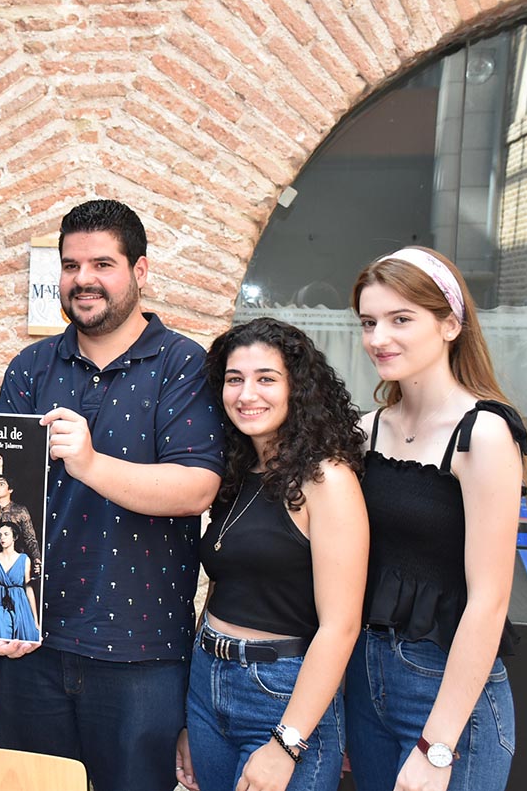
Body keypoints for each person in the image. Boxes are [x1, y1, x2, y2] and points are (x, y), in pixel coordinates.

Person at [0, 199, 224, 791]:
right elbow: (1, 505)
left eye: (102, 264)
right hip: (31, 644)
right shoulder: (31, 367)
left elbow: (196, 487)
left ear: (139, 273)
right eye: (70, 266)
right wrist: (1, 612)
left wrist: (90, 462)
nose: (83, 280)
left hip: (140, 653)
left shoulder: (183, 366)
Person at [345, 247, 527, 791]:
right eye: (369, 322)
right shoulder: (366, 430)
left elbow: (491, 599)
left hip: (447, 695)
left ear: (450, 323)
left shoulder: (485, 433)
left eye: (401, 319)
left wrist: (438, 744)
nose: (379, 338)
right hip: (365, 679)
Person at [176, 317, 368, 791]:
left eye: (266, 379)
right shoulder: (238, 469)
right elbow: (221, 588)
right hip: (207, 681)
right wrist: (189, 713)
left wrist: (287, 743)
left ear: (297, 389)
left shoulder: (328, 481)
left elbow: (341, 626)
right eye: (235, 379)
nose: (247, 394)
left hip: (281, 694)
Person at [0, 473, 40, 575]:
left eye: (1, 484)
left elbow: (30, 538)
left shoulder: (21, 511)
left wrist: (37, 558)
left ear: (10, 490)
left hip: (17, 562)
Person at [0, 523, 41, 641]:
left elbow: (29, 588)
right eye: (0, 535)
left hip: (20, 602)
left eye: (6, 534)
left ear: (14, 537)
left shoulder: (24, 559)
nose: (2, 538)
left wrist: (35, 620)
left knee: (27, 634)